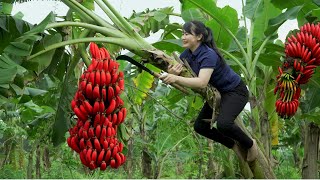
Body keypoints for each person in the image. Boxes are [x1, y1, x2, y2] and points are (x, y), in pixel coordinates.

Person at [160, 20, 258, 162]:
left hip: (235, 91)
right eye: (182, 34)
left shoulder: (208, 54)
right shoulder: (185, 55)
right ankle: (233, 145)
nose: (183, 37)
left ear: (199, 36)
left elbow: (201, 82)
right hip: (217, 94)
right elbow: (181, 78)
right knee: (200, 126)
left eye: (187, 34)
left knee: (224, 125)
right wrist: (171, 73)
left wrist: (175, 78)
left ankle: (250, 144)